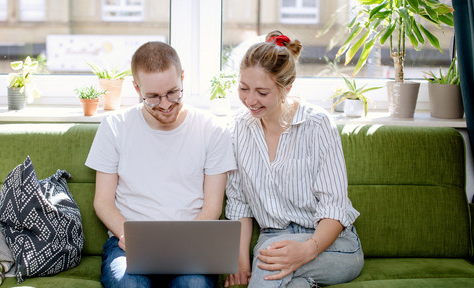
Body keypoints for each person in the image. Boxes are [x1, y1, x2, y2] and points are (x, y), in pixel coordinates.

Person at [85, 41, 237, 288]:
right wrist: (132, 238)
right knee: (130, 285)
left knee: (194, 285)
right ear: (137, 88)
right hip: (127, 244)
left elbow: (212, 207)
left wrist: (182, 245)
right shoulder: (115, 126)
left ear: (183, 78)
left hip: (191, 243)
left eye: (173, 93)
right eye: (153, 97)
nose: (165, 105)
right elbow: (102, 202)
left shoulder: (212, 130)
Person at [224, 30, 364, 288]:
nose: (250, 100)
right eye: (243, 88)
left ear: (286, 88)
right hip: (273, 239)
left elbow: (334, 206)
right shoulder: (237, 128)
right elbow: (239, 205)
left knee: (268, 277)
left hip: (331, 245)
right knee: (286, 278)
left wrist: (307, 250)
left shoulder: (318, 124)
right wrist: (242, 263)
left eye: (262, 92)